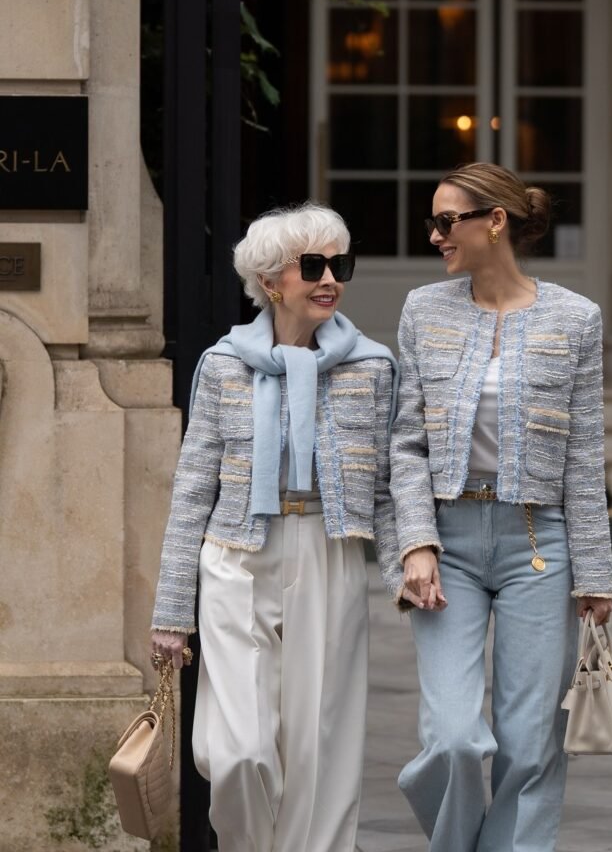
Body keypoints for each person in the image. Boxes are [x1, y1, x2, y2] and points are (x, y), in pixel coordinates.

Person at [150, 202, 410, 852]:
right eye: (313, 266)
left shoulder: (371, 367)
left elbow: (384, 486)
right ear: (270, 280)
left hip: (330, 551)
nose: (329, 279)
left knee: (320, 743)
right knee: (237, 752)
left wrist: (409, 563)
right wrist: (169, 613)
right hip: (236, 556)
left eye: (338, 264)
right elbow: (190, 493)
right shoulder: (222, 364)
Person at [389, 163, 612, 852]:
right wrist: (415, 542)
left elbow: (583, 453)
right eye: (431, 222)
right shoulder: (422, 310)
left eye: (445, 220)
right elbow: (405, 443)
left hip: (537, 544)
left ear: (494, 221)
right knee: (453, 738)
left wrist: (595, 573)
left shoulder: (575, 318)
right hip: (446, 545)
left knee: (529, 741)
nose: (433, 235)